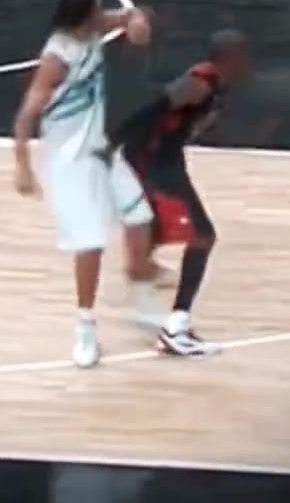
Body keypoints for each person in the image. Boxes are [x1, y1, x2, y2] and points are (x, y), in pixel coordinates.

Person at [13, 0, 163, 369]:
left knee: (139, 219)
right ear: (82, 17)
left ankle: (143, 300)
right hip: (70, 162)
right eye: (97, 10)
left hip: (100, 151)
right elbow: (27, 114)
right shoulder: (57, 58)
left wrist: (138, 22)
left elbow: (132, 16)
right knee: (90, 245)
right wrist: (22, 165)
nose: (103, 14)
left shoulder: (93, 30)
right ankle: (85, 327)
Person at [100, 30, 250, 356]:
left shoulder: (217, 85)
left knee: (157, 232)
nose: (247, 62)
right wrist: (110, 145)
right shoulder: (199, 83)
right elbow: (150, 108)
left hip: (166, 161)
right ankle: (175, 329)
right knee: (202, 237)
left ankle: (144, 294)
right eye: (243, 55)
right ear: (230, 57)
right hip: (152, 164)